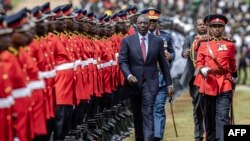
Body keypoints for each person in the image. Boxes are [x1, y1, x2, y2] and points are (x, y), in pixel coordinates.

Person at [119, 14, 173, 141]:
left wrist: (169, 84)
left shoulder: (157, 41)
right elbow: (123, 61)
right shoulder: (128, 41)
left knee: (148, 112)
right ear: (136, 24)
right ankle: (140, 138)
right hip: (134, 84)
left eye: (145, 23)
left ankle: (149, 138)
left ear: (149, 25)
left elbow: (164, 64)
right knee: (137, 115)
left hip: (150, 83)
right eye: (140, 23)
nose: (143, 25)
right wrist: (129, 75)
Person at [193, 14, 238, 141]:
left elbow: (232, 63)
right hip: (208, 83)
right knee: (209, 117)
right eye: (214, 26)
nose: (217, 29)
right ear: (209, 28)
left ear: (223, 28)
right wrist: (202, 69)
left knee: (222, 116)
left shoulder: (229, 44)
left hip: (224, 83)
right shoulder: (203, 44)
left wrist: (235, 76)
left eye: (220, 26)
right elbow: (199, 62)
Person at [141, 8, 175, 141]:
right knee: (147, 109)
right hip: (145, 80)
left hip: (160, 79)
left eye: (154, 21)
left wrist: (170, 56)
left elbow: (173, 53)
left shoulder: (165, 36)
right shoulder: (140, 38)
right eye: (149, 21)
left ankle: (157, 136)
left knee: (159, 108)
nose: (151, 23)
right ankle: (149, 134)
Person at [180, 17, 207, 141]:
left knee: (210, 105)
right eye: (199, 24)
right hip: (195, 78)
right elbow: (183, 52)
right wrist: (185, 52)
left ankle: (210, 132)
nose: (202, 26)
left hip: (209, 77)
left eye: (204, 24)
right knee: (197, 106)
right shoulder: (190, 38)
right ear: (196, 27)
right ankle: (198, 135)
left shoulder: (211, 38)